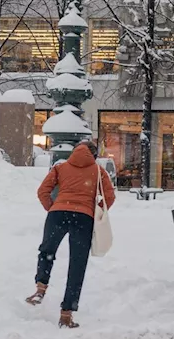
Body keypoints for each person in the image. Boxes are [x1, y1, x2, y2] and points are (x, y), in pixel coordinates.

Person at [25, 140, 115, 328]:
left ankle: (40, 288)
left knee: (47, 250)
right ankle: (66, 313)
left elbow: (43, 191)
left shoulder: (61, 167)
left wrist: (52, 208)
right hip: (84, 218)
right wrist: (95, 211)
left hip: (58, 214)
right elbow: (109, 196)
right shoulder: (98, 171)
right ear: (94, 155)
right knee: (77, 263)